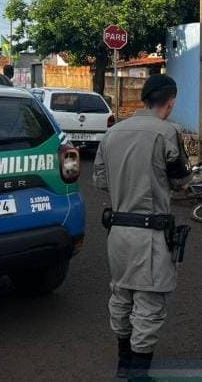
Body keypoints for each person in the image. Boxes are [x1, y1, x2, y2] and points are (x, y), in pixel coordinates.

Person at [93, 74, 192, 381]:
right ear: (171, 101)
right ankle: (138, 375)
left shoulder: (112, 133)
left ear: (144, 99)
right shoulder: (168, 133)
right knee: (148, 307)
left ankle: (124, 364)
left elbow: (99, 181)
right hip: (150, 235)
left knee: (121, 297)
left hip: (118, 233)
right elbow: (181, 183)